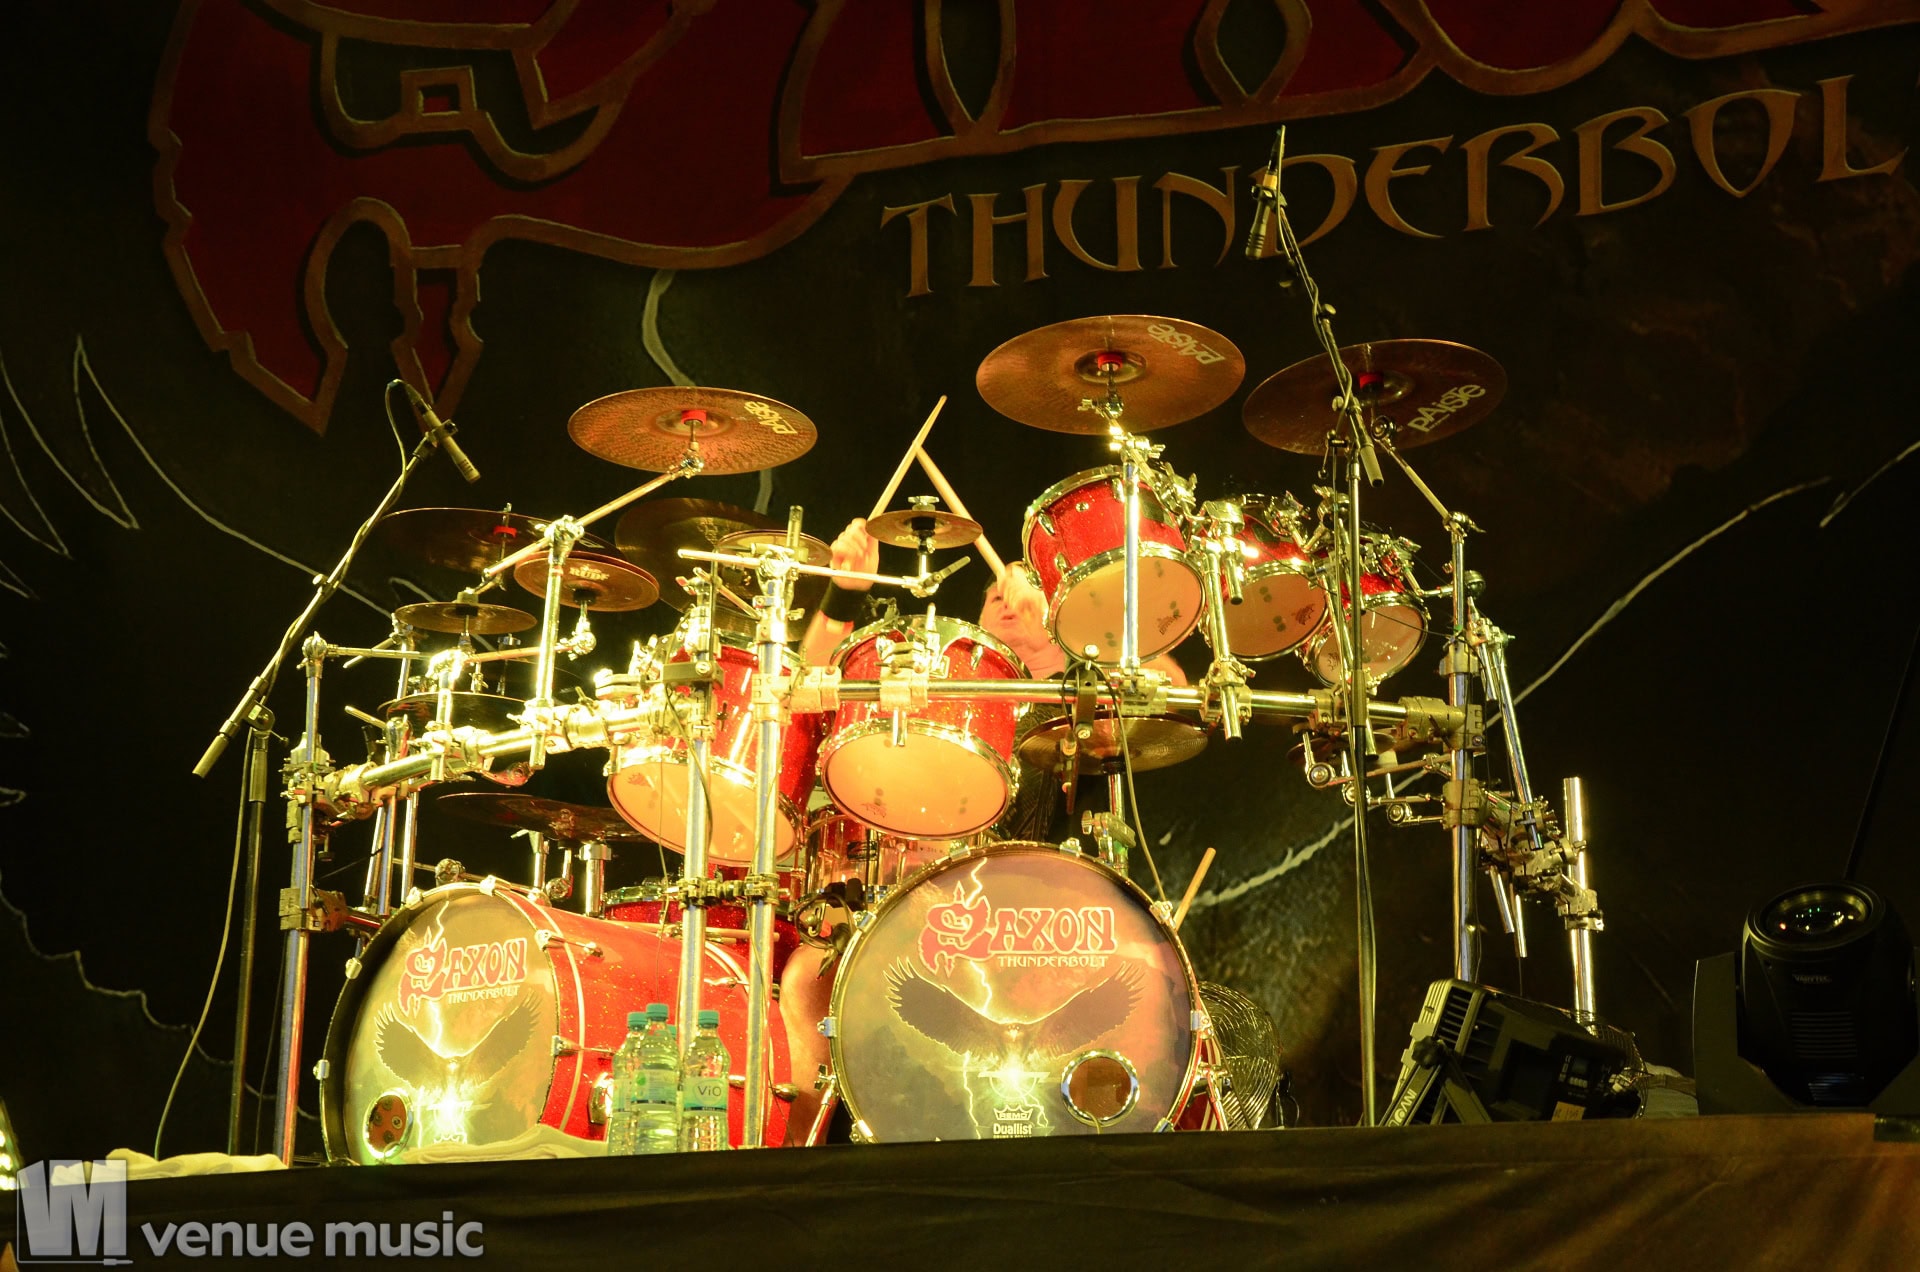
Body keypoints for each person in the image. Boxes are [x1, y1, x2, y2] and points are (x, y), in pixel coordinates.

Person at [800, 517, 1186, 685]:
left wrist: (1069, 620)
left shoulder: (1090, 685)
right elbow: (813, 678)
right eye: (995, 598)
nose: (1006, 602)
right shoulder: (952, 678)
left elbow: (1173, 687)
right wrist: (845, 591)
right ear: (978, 623)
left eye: (1022, 594)